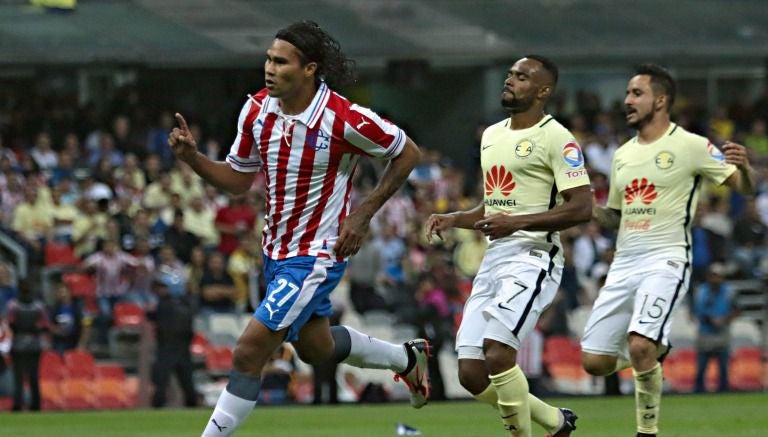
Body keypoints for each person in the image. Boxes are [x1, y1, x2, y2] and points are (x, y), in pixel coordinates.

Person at [168, 21, 428, 436]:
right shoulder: (256, 109)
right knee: (314, 348)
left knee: (249, 352)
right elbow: (238, 179)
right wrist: (194, 159)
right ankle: (405, 359)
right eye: (268, 59)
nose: (269, 68)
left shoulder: (343, 118)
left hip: (316, 255)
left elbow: (406, 153)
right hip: (275, 253)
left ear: (309, 69)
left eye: (280, 61)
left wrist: (362, 214)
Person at [581, 64, 754, 437]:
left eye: (636, 94)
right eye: (627, 93)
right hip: (625, 262)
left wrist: (747, 169)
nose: (627, 101)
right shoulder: (623, 155)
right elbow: (614, 216)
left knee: (639, 343)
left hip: (667, 257)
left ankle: (647, 430)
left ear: (660, 101)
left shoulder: (691, 145)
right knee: (594, 362)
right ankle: (655, 351)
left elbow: (744, 187)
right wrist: (581, 208)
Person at [427, 55, 591, 437]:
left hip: (534, 257)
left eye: (521, 77)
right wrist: (456, 218)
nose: (510, 80)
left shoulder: (557, 137)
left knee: (499, 352)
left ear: (543, 90)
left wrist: (515, 223)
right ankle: (554, 421)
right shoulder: (492, 135)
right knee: (470, 372)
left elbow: (583, 206)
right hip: (495, 258)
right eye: (510, 75)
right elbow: (496, 204)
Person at [147, 276, 199, 408]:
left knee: (173, 382)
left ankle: (158, 406)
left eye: (164, 287)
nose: (160, 291)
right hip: (177, 348)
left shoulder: (168, 304)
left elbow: (152, 316)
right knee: (184, 383)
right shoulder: (186, 303)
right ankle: (191, 406)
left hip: (170, 348)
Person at [692, 262, 739, 393]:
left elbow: (737, 309)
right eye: (712, 276)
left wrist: (725, 319)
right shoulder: (701, 291)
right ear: (708, 276)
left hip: (722, 331)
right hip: (705, 331)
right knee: (702, 365)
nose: (715, 279)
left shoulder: (730, 291)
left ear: (722, 277)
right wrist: (711, 319)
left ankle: (723, 389)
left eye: (717, 276)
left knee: (723, 365)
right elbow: (696, 310)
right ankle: (699, 390)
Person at [5, 281, 50, 411]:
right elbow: (45, 325)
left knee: (18, 377)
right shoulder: (38, 306)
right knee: (33, 376)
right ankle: (36, 404)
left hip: (18, 342)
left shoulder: (13, 305)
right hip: (34, 343)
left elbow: (10, 323)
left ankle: (18, 404)